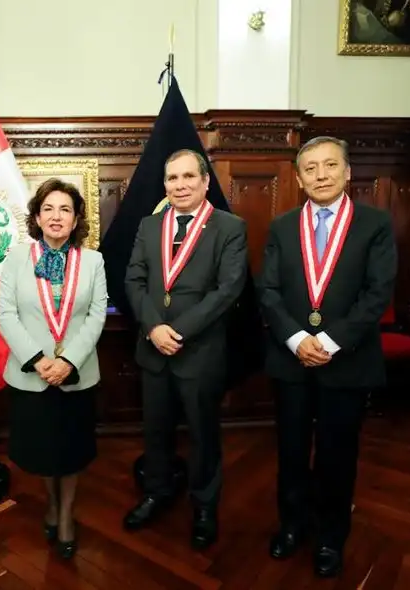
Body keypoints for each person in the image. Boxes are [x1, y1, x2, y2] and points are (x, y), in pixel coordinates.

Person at [258, 136, 396, 577]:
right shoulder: (281, 227)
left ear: (348, 172)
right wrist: (298, 340)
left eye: (330, 166)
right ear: (299, 178)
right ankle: (292, 526)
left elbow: (377, 295)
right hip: (291, 361)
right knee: (292, 452)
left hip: (348, 362)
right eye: (311, 168)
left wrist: (331, 342)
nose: (321, 175)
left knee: (338, 455)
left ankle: (332, 538)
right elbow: (269, 291)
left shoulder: (374, 224)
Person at [122, 149, 248, 549]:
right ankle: (157, 492)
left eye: (188, 177)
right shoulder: (149, 225)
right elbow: (134, 279)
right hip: (153, 348)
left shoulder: (229, 227)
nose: (180, 185)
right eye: (172, 178)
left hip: (200, 352)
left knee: (203, 434)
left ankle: (205, 506)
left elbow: (228, 290)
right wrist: (153, 326)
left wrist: (178, 331)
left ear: (205, 181)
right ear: (165, 185)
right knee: (155, 431)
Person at [0, 178, 107, 559]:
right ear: (37, 218)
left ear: (76, 220)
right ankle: (50, 503)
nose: (56, 216)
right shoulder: (14, 259)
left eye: (65, 210)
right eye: (49, 209)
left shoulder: (93, 261)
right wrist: (40, 361)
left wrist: (68, 361)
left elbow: (96, 316)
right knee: (42, 451)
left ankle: (66, 514)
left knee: (73, 450)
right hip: (31, 375)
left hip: (78, 374)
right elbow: (5, 313)